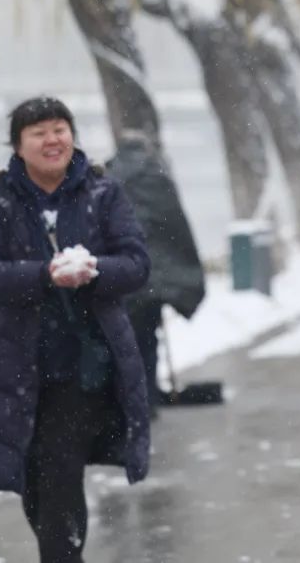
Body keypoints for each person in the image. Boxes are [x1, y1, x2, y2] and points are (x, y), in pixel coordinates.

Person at [0, 97, 151, 562]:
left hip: (83, 365)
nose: (52, 140)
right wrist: (44, 275)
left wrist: (93, 269)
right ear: (18, 146)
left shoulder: (102, 192)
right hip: (17, 364)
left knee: (59, 468)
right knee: (35, 475)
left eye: (59, 129)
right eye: (39, 132)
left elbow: (137, 264)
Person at [106, 132, 206, 411]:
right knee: (148, 339)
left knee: (127, 341)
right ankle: (147, 397)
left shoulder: (109, 179)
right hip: (155, 277)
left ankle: (133, 399)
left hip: (125, 274)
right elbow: (176, 228)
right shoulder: (158, 179)